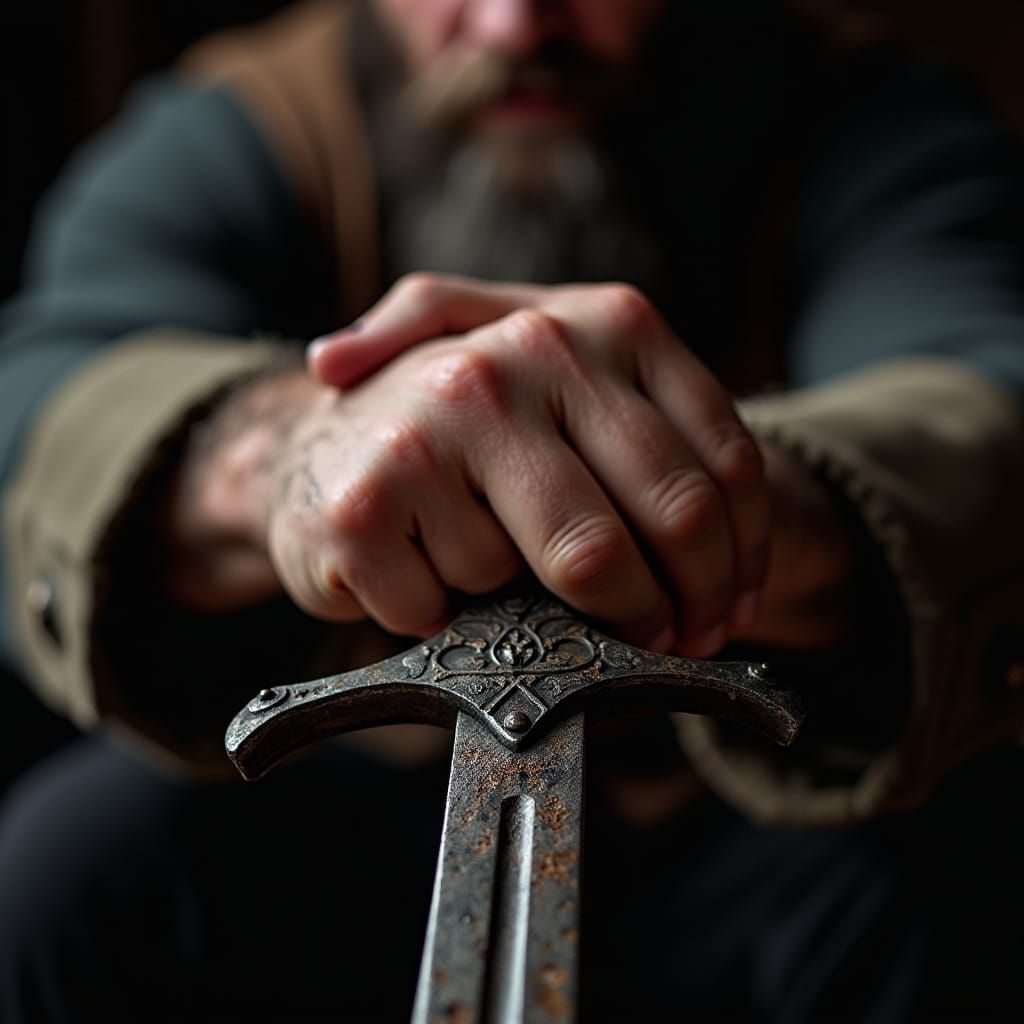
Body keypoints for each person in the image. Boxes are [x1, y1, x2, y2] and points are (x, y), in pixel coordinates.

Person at [2, 0, 1024, 1019]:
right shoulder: (247, 124)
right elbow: (49, 391)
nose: (512, 24)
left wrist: (743, 509)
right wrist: (286, 455)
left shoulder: (861, 118)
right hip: (342, 813)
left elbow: (981, 391)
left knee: (975, 879)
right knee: (66, 866)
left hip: (778, 831)